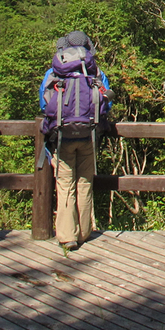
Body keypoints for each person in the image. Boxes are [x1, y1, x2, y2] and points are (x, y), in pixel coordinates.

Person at [39, 30, 110, 252]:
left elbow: (44, 104)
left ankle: (67, 236)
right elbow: (105, 104)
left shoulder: (54, 72)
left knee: (65, 185)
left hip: (61, 136)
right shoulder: (96, 71)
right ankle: (83, 232)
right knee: (85, 183)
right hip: (89, 135)